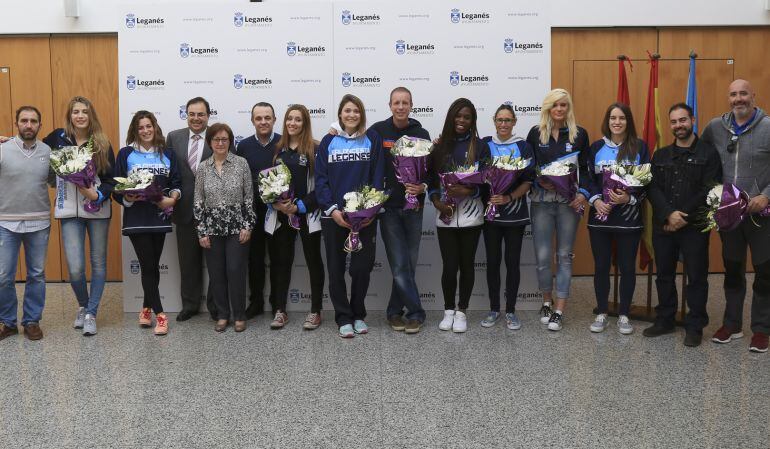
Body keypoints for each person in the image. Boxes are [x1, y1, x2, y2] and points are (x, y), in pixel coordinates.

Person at [644, 103, 721, 347]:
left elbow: (709, 188)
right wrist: (668, 214)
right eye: (674, 122)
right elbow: (651, 188)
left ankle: (695, 325)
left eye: (683, 120)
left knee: (697, 277)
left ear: (693, 120)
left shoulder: (709, 153)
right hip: (664, 225)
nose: (679, 126)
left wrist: (682, 216)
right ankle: (665, 319)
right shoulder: (661, 155)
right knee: (664, 275)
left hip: (695, 226)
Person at [701, 79, 770, 353]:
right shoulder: (716, 128)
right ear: (728, 98)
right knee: (732, 269)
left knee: (764, 271)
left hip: (762, 214)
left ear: (753, 95)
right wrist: (713, 194)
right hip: (729, 214)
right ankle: (732, 324)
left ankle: (762, 328)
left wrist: (767, 194)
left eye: (743, 93)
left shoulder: (767, 127)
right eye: (733, 94)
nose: (738, 98)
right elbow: (702, 158)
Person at [43, 96, 115, 336]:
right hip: (68, 211)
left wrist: (98, 195)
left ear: (90, 114)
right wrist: (11, 141)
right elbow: (33, 151)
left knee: (98, 264)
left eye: (85, 111)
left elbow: (110, 180)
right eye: (76, 111)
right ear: (70, 115)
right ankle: (83, 306)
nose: (80, 115)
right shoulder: (57, 138)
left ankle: (92, 313)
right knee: (75, 268)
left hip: (97, 210)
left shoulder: (102, 142)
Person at [315, 94, 384, 338]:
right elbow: (321, 180)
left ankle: (358, 315)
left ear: (362, 114)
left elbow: (377, 176)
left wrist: (372, 210)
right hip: (335, 217)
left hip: (364, 218)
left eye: (356, 111)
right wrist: (332, 210)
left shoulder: (372, 139)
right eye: (347, 111)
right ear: (340, 114)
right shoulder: (328, 141)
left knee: (361, 268)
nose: (352, 115)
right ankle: (343, 317)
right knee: (335, 269)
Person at [525, 88, 590, 331]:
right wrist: (537, 179)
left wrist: (582, 195)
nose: (560, 109)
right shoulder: (535, 134)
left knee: (564, 256)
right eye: (555, 105)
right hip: (541, 201)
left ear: (568, 107)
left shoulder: (579, 134)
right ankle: (546, 301)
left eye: (564, 105)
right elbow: (528, 168)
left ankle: (560, 309)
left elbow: (587, 169)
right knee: (542, 257)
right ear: (548, 108)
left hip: (568, 204)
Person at [584, 103, 650, 335]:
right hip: (599, 218)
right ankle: (602, 312)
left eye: (622, 118)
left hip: (629, 218)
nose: (617, 122)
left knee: (627, 268)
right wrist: (594, 200)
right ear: (607, 120)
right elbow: (588, 179)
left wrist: (629, 200)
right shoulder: (596, 147)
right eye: (613, 118)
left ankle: (623, 315)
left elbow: (645, 180)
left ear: (628, 121)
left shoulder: (640, 146)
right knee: (601, 266)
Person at [113, 111, 181, 336]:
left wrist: (172, 198)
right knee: (148, 265)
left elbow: (175, 183)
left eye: (148, 126)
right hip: (136, 219)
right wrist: (127, 197)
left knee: (151, 265)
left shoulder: (167, 153)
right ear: (135, 130)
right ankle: (161, 315)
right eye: (140, 127)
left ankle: (145, 309)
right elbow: (116, 187)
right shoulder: (126, 154)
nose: (145, 130)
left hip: (160, 218)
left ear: (155, 127)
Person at [371, 87, 431, 334]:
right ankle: (416, 313)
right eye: (396, 102)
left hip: (414, 208)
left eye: (405, 102)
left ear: (411, 105)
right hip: (389, 209)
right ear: (389, 105)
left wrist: (423, 185)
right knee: (399, 265)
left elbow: (431, 170)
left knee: (409, 263)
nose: (400, 107)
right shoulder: (378, 131)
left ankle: (394, 312)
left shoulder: (421, 133)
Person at [429, 98, 490, 333]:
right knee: (449, 265)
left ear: (472, 120)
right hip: (445, 215)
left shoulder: (480, 146)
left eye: (467, 117)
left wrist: (470, 190)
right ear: (451, 117)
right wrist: (436, 201)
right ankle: (448, 310)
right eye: (458, 116)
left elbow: (487, 181)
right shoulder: (440, 146)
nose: (461, 120)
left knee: (467, 265)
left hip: (471, 215)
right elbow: (431, 180)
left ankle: (462, 311)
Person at [266, 105, 325, 330]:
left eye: (298, 120)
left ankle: (315, 311)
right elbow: (270, 183)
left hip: (307, 214)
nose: (292, 123)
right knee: (282, 261)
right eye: (289, 119)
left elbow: (321, 185)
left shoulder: (315, 149)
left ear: (305, 123)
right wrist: (276, 203)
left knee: (313, 261)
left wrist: (300, 206)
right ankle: (280, 310)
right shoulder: (278, 150)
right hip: (282, 216)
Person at [194, 123, 255, 333]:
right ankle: (222, 315)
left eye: (224, 139)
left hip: (238, 227)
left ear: (230, 142)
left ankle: (239, 315)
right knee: (217, 273)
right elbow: (198, 201)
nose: (220, 143)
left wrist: (248, 225)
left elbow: (249, 197)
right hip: (211, 228)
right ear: (210, 142)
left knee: (235, 270)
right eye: (216, 139)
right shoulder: (202, 167)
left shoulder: (241, 164)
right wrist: (201, 231)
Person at [0, 106, 52, 342]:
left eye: (33, 121)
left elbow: (54, 182)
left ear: (40, 125)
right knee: (3, 276)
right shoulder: (3, 149)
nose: (28, 125)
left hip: (39, 222)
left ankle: (31, 321)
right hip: (6, 222)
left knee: (37, 275)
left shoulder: (48, 152)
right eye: (24, 120)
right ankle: (8, 322)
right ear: (16, 123)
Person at [480, 104, 535, 331]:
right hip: (490, 215)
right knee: (492, 263)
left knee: (512, 263)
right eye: (500, 120)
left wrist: (509, 197)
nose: (503, 124)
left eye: (507, 120)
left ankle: (511, 311)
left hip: (515, 215)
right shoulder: (484, 144)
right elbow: (476, 173)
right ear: (494, 120)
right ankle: (494, 309)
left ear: (514, 122)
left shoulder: (523, 146)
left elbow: (529, 181)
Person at [167, 97, 215, 322]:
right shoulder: (173, 137)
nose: (196, 118)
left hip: (214, 212)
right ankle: (190, 305)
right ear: (187, 115)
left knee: (215, 263)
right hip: (184, 209)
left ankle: (216, 306)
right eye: (192, 114)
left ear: (208, 116)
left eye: (201, 114)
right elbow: (168, 171)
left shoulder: (218, 135)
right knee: (187, 263)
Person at [235, 102, 281, 319]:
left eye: (267, 117)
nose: (263, 122)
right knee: (254, 260)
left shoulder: (284, 142)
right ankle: (256, 302)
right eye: (259, 118)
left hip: (279, 212)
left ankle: (277, 303)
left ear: (274, 119)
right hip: (252, 213)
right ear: (252, 120)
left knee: (278, 258)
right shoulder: (243, 146)